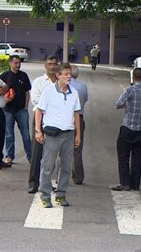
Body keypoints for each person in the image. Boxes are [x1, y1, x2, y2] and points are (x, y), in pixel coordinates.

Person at [35, 64, 81, 208]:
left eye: (70, 74)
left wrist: (78, 134)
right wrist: (38, 130)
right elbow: (39, 111)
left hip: (68, 134)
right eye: (66, 74)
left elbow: (76, 114)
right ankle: (45, 195)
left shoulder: (74, 93)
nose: (69, 76)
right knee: (47, 166)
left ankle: (61, 194)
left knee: (66, 167)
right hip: (53, 134)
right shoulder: (48, 91)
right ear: (58, 76)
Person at [110, 68, 141, 191]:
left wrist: (127, 104)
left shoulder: (130, 90)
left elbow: (118, 103)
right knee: (137, 156)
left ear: (133, 77)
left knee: (123, 156)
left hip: (129, 128)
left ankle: (125, 183)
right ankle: (135, 184)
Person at [28, 55, 58, 194]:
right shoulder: (39, 82)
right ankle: (33, 184)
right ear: (45, 66)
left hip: (56, 122)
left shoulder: (61, 82)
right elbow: (36, 101)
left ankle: (45, 183)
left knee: (51, 154)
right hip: (41, 119)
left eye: (54, 64)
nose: (52, 66)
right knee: (37, 152)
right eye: (49, 64)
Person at [0, 55, 32, 164]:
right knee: (9, 134)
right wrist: (5, 100)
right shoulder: (4, 76)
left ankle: (31, 156)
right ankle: (9, 156)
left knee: (26, 135)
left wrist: (26, 107)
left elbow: (27, 92)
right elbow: (0, 93)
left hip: (21, 110)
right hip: (8, 110)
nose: (18, 65)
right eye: (15, 63)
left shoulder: (24, 76)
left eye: (19, 63)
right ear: (10, 63)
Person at [69, 65, 88, 184]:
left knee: (62, 149)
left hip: (65, 119)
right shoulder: (83, 87)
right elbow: (85, 101)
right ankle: (78, 177)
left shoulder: (64, 86)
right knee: (77, 149)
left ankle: (61, 175)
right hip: (79, 118)